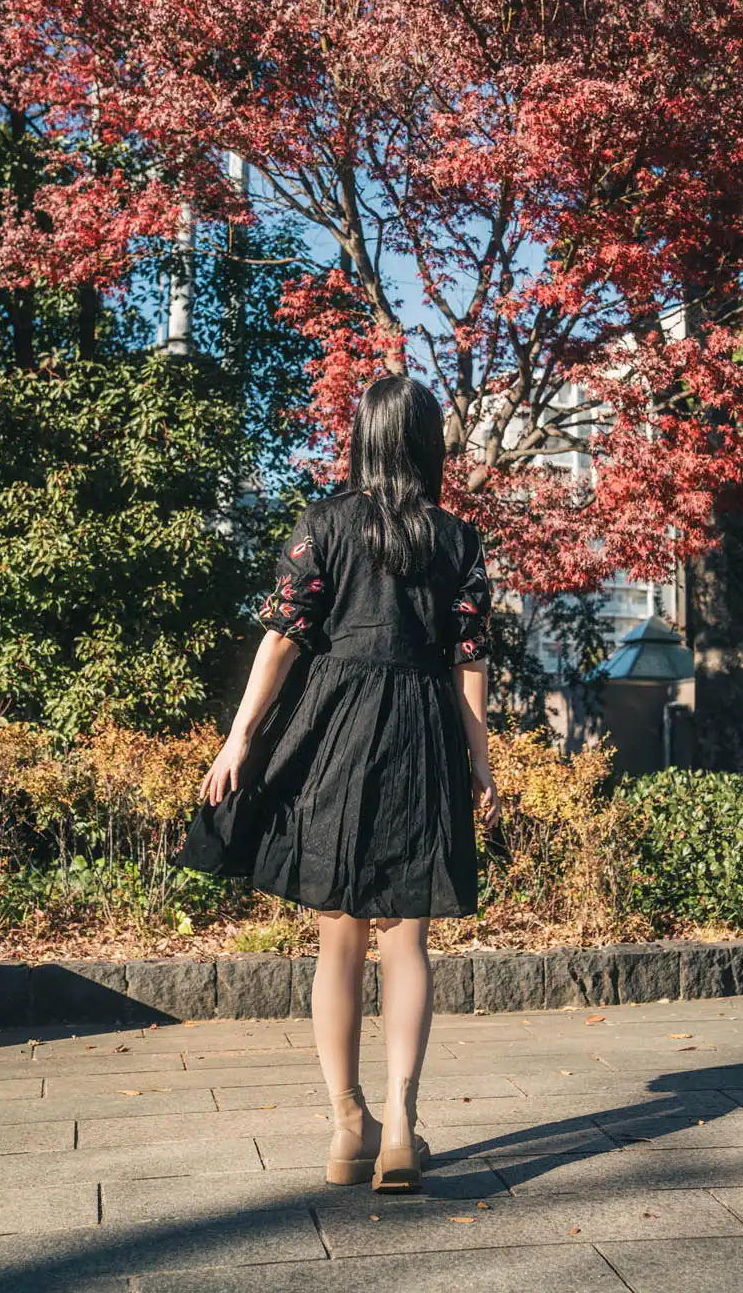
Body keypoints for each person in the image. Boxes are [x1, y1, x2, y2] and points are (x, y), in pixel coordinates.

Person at [176, 375, 501, 1193]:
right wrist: (482, 766)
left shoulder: (322, 525)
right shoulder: (457, 539)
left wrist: (238, 739)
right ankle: (403, 1129)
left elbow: (282, 642)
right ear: (428, 445)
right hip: (422, 733)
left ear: (362, 437)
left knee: (340, 934)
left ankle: (348, 1126)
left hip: (335, 733)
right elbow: (470, 662)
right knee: (408, 939)